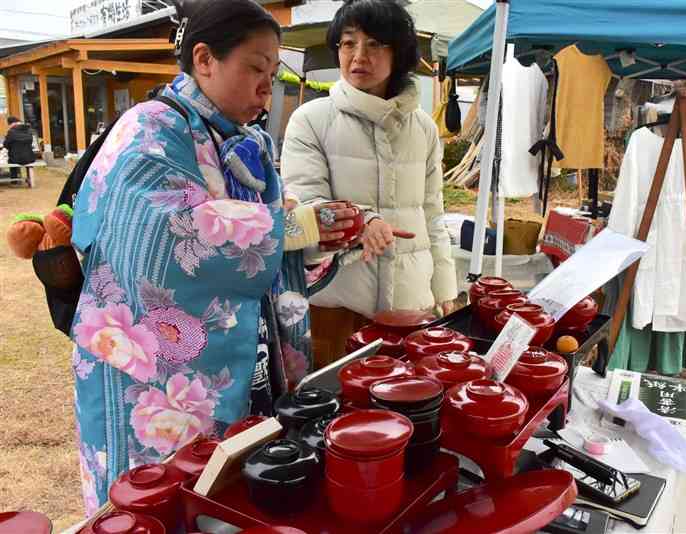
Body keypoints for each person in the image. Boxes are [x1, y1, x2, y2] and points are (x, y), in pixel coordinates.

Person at [69, 0, 358, 513]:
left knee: (230, 490)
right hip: (155, 365)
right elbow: (167, 232)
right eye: (255, 68)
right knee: (161, 498)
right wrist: (293, 227)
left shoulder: (250, 141)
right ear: (204, 59)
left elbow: (276, 237)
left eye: (273, 71)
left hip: (245, 351)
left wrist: (313, 238)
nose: (267, 87)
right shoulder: (149, 130)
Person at [281, 0, 457, 365]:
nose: (359, 55)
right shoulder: (310, 120)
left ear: (400, 53)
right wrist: (361, 221)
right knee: (335, 413)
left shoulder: (423, 127)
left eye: (375, 43)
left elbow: (433, 214)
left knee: (405, 413)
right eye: (348, 43)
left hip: (411, 305)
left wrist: (445, 290)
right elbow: (304, 207)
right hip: (336, 307)